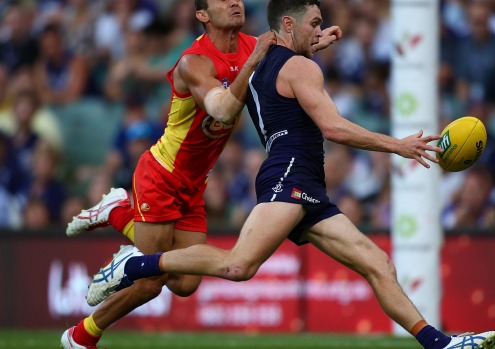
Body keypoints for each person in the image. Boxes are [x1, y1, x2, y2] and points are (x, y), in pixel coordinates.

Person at [86, 1, 495, 348]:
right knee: (238, 265)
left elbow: (264, 64)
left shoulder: (259, 59)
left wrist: (315, 42)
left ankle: (440, 343)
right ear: (287, 24)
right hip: (290, 171)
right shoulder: (296, 67)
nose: (320, 29)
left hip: (303, 178)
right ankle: (132, 267)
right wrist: (399, 146)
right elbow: (334, 127)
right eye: (314, 23)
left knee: (378, 264)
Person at [60, 0, 341, 348]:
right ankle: (81, 336)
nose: (236, 2)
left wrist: (315, 40)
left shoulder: (255, 44)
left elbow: (288, 47)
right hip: (161, 174)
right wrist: (252, 64)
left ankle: (116, 211)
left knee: (185, 284)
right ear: (202, 16)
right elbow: (222, 111)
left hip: (195, 182)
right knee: (151, 279)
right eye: (223, 0)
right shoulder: (194, 62)